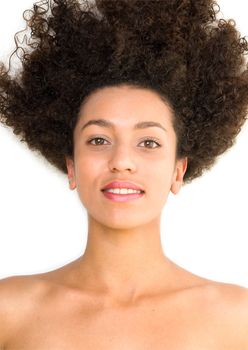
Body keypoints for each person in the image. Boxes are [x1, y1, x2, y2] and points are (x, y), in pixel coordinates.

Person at [0, 0, 248, 348]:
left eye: (148, 142)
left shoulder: (238, 320)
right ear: (71, 165)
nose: (122, 161)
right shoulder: (9, 311)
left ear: (179, 170)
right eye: (99, 139)